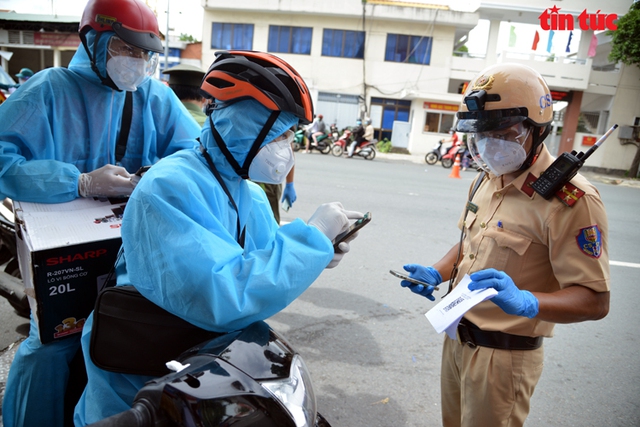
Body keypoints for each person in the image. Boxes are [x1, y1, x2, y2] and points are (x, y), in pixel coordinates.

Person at [74, 50, 363, 425]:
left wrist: (318, 251)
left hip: (197, 368)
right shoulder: (169, 185)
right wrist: (310, 242)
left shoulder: (249, 192)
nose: (287, 148)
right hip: (138, 381)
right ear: (243, 123)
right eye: (282, 133)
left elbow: (262, 267)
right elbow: (225, 293)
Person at [0, 0, 201, 426]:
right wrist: (78, 181)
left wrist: (155, 176)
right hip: (58, 243)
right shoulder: (48, 89)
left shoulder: (153, 96)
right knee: (54, 341)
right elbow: (3, 160)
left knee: (124, 337)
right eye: (124, 49)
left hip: (132, 241)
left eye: (144, 53)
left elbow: (192, 154)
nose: (136, 62)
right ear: (94, 41)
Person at [398, 63, 609, 427]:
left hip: (504, 357)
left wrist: (528, 302)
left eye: (503, 132)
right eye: (481, 133)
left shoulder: (570, 200)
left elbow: (595, 300)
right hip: (457, 341)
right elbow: (472, 241)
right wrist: (438, 270)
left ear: (537, 129)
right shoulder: (487, 179)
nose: (488, 144)